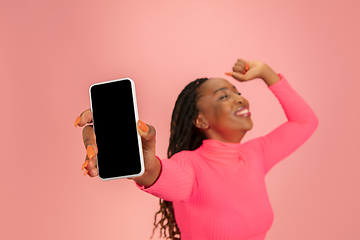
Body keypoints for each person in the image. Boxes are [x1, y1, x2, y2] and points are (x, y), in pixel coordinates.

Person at [74, 59, 318, 240]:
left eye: (239, 93)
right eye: (224, 97)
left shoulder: (256, 154)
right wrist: (130, 152)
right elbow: (156, 172)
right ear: (201, 121)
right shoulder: (191, 166)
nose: (240, 99)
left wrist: (266, 73)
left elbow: (304, 122)